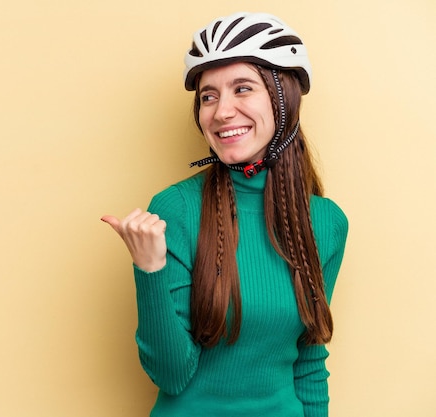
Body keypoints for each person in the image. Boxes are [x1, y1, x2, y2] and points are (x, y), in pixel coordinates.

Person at [101, 12, 348, 417]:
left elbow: (309, 359)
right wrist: (149, 269)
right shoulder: (176, 209)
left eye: (242, 89)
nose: (221, 112)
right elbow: (172, 375)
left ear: (282, 98)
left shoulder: (326, 223)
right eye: (208, 96)